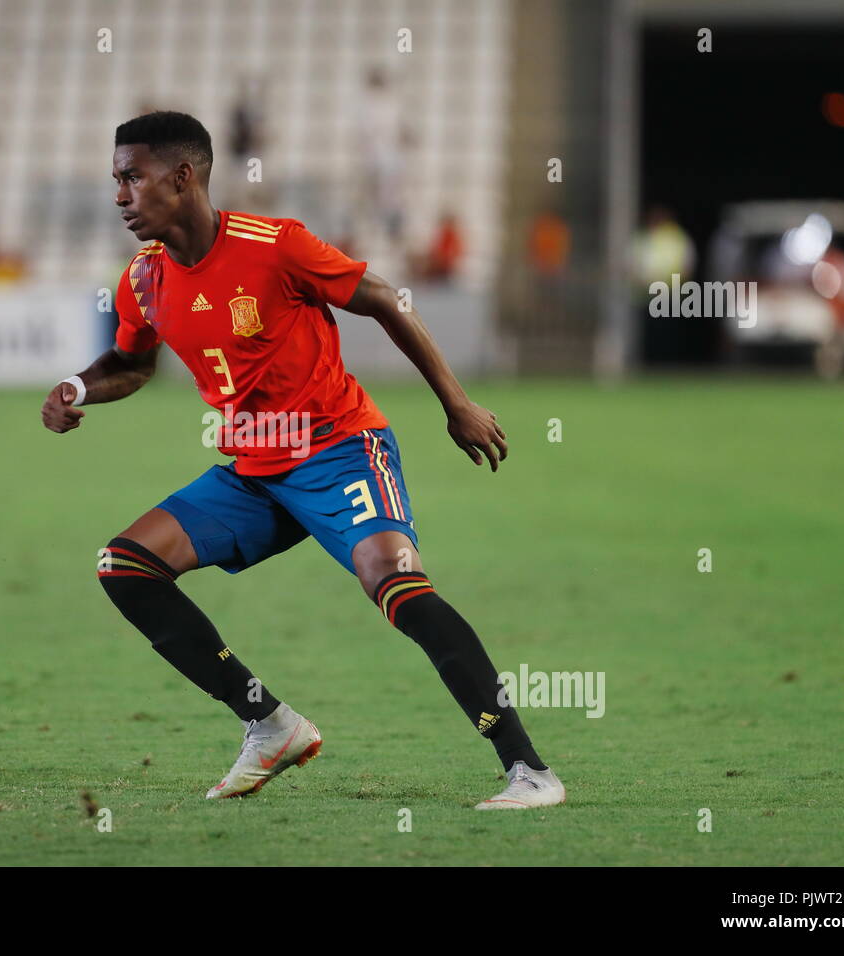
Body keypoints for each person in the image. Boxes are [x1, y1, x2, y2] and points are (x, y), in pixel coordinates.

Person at [42, 112, 564, 809]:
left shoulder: (275, 246)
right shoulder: (143, 278)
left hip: (339, 450)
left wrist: (455, 403)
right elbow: (131, 364)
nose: (119, 197)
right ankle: (269, 724)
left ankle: (529, 770)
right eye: (116, 180)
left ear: (182, 177)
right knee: (125, 566)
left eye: (131, 178)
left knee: (398, 585)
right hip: (253, 473)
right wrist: (78, 386)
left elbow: (383, 299)